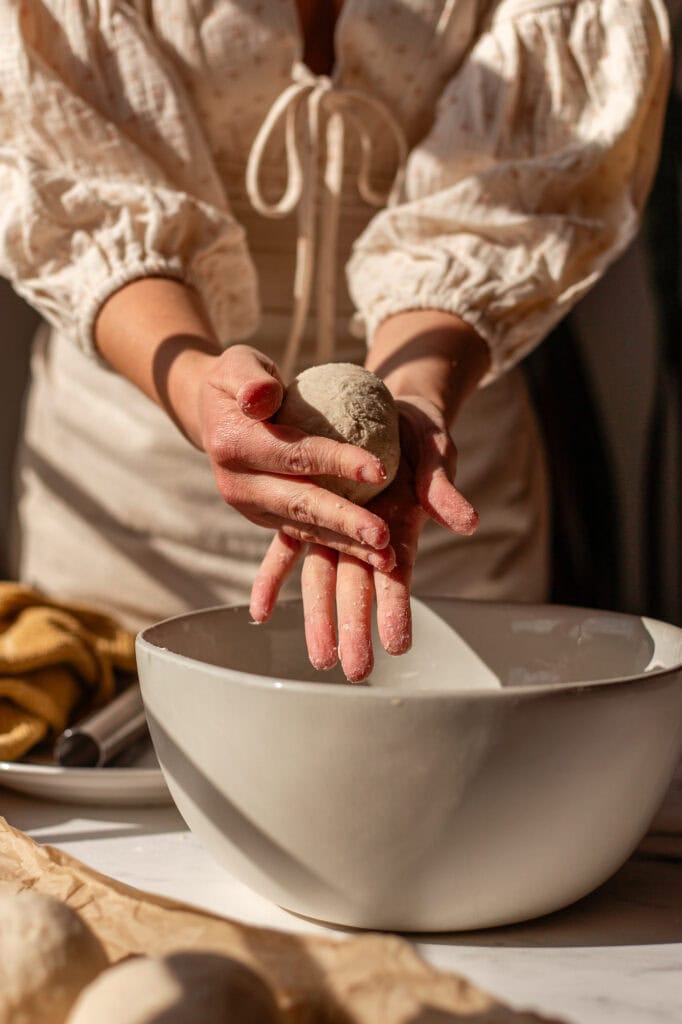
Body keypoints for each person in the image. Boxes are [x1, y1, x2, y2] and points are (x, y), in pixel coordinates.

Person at [0, 0, 669, 682]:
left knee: (444, 774)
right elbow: (61, 160)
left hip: (427, 505)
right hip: (134, 512)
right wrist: (193, 385)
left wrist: (417, 392)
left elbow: (520, 185)